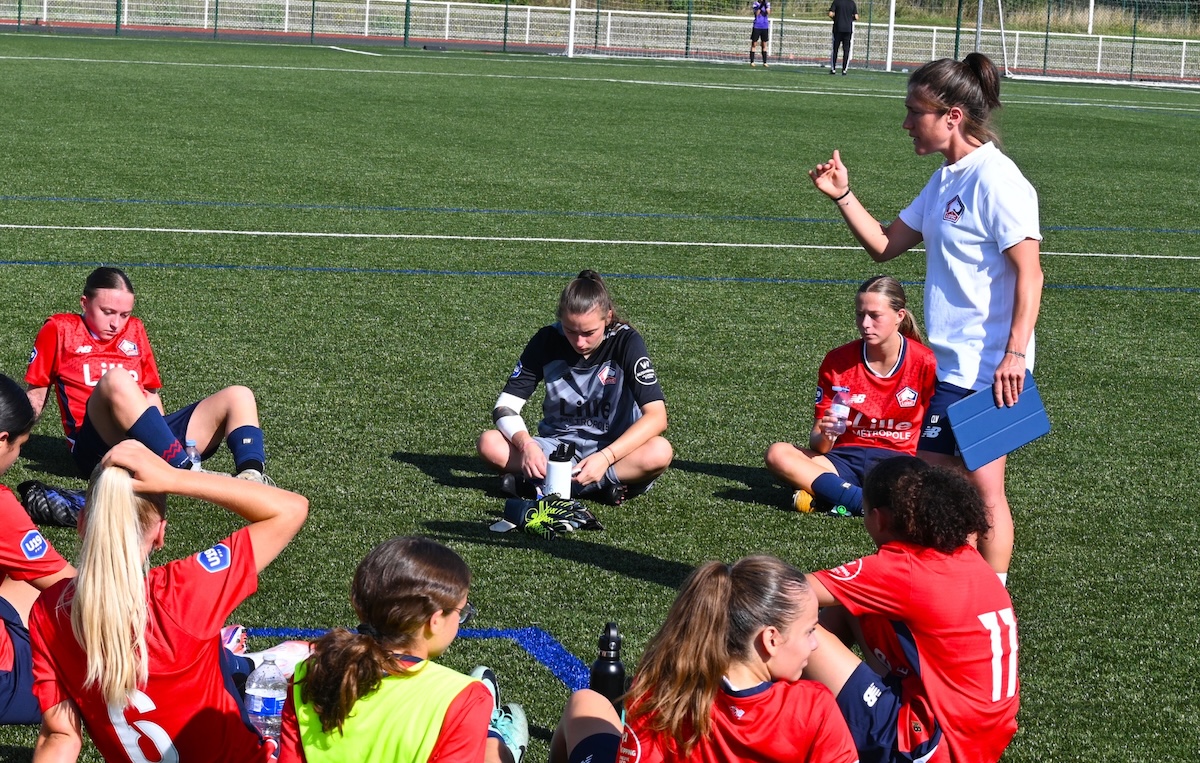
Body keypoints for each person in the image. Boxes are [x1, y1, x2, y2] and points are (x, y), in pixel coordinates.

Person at [808, 52, 1043, 577]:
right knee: (933, 492)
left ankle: (993, 606)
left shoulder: (998, 180)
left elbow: (1032, 273)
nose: (907, 122)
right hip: (949, 368)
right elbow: (885, 246)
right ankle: (947, 591)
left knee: (983, 496)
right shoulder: (944, 180)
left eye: (917, 111)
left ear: (952, 116)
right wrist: (842, 195)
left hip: (992, 372)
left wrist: (1013, 356)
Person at [29, 439, 309, 762]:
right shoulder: (184, 592)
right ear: (161, 533)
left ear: (82, 525)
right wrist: (175, 478)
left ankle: (229, 656)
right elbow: (291, 509)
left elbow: (60, 737)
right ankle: (234, 658)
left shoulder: (48, 613)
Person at [803, 456, 1019, 763]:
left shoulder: (901, 570)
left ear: (878, 518)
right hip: (979, 740)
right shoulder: (967, 556)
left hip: (932, 744)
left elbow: (786, 591)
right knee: (850, 604)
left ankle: (761, 703)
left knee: (790, 621)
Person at [548, 556, 858, 763]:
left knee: (585, 703)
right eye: (809, 631)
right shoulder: (813, 706)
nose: (815, 644)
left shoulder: (666, 691)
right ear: (771, 640)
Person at [279, 536, 529, 763]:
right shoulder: (463, 697)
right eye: (460, 612)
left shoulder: (308, 671)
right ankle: (496, 738)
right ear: (435, 619)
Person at [25, 266, 273, 483]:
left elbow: (150, 396)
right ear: (84, 303)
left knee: (239, 395)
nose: (116, 324)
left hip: (144, 440)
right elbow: (36, 395)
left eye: (124, 315)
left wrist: (162, 443)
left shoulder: (135, 329)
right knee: (116, 378)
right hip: (96, 445)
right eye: (108, 312)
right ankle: (183, 471)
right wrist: (11, 438)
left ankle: (250, 476)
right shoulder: (59, 329)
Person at [477, 270, 673, 505]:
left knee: (659, 451)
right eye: (570, 331)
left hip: (615, 452)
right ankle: (597, 488)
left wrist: (605, 457)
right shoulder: (547, 339)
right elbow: (505, 407)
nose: (579, 342)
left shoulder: (626, 341)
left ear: (608, 317)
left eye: (589, 333)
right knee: (489, 443)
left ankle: (547, 485)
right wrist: (527, 445)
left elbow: (657, 417)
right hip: (558, 449)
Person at [765, 275, 936, 517]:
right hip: (843, 460)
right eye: (860, 314)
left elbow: (936, 433)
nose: (865, 323)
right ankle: (860, 502)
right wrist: (826, 433)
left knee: (927, 483)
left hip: (899, 462)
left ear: (900, 316)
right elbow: (819, 444)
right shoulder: (837, 361)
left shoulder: (925, 362)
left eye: (875, 315)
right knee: (778, 454)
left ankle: (830, 494)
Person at [0, 374, 76, 725]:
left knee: (24, 582)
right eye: (20, 447)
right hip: (6, 685)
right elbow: (75, 589)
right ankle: (233, 663)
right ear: (2, 441)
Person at [828, 0, 858, 74]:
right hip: (848, 29)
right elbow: (856, 17)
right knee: (846, 50)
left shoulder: (836, 2)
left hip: (837, 28)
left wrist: (836, 19)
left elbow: (830, 14)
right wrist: (850, 20)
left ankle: (833, 69)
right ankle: (844, 69)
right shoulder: (852, 3)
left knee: (835, 49)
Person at [750, 0, 771, 68]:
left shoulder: (767, 3)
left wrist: (765, 5)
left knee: (764, 44)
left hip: (765, 26)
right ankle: (752, 61)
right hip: (757, 26)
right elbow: (757, 13)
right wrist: (760, 6)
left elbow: (768, 12)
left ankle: (764, 62)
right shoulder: (755, 3)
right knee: (754, 43)